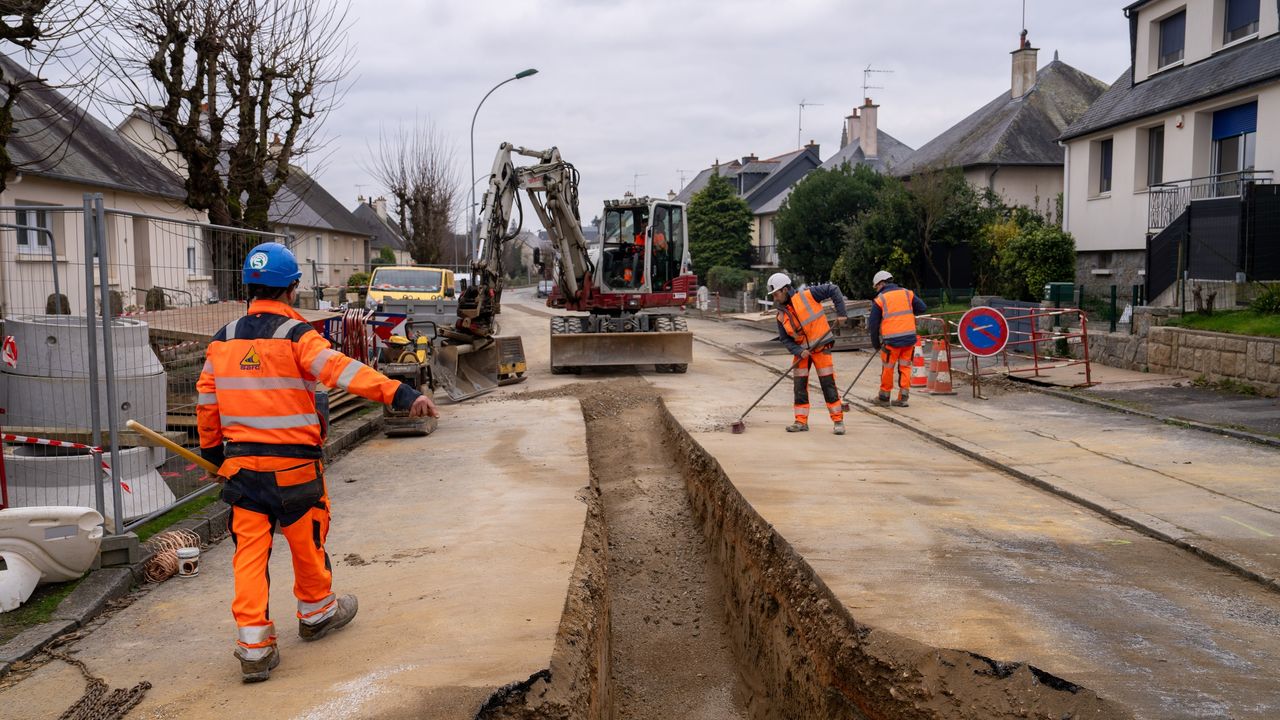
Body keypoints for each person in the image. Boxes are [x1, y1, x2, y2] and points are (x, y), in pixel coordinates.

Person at [196, 242, 438, 682]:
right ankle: (317, 613)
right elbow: (346, 372)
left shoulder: (222, 341)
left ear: (247, 286)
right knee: (307, 541)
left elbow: (207, 404)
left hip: (242, 471)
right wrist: (402, 394)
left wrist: (212, 456)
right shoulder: (297, 336)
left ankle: (253, 649)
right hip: (295, 470)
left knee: (249, 554)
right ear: (291, 289)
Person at [768, 272, 850, 435]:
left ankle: (838, 420)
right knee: (799, 386)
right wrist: (799, 351)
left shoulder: (808, 295)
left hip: (820, 348)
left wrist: (841, 313)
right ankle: (800, 421)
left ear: (785, 290)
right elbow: (785, 339)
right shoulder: (781, 315)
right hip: (802, 354)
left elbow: (833, 289)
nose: (775, 298)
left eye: (776, 294)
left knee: (828, 384)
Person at [867, 270, 927, 407]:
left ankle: (883, 397)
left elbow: (873, 324)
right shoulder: (907, 293)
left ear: (882, 283)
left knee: (888, 368)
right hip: (909, 340)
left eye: (876, 286)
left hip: (891, 342)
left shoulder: (880, 299)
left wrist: (875, 344)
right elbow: (922, 308)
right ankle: (903, 396)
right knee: (905, 367)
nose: (877, 289)